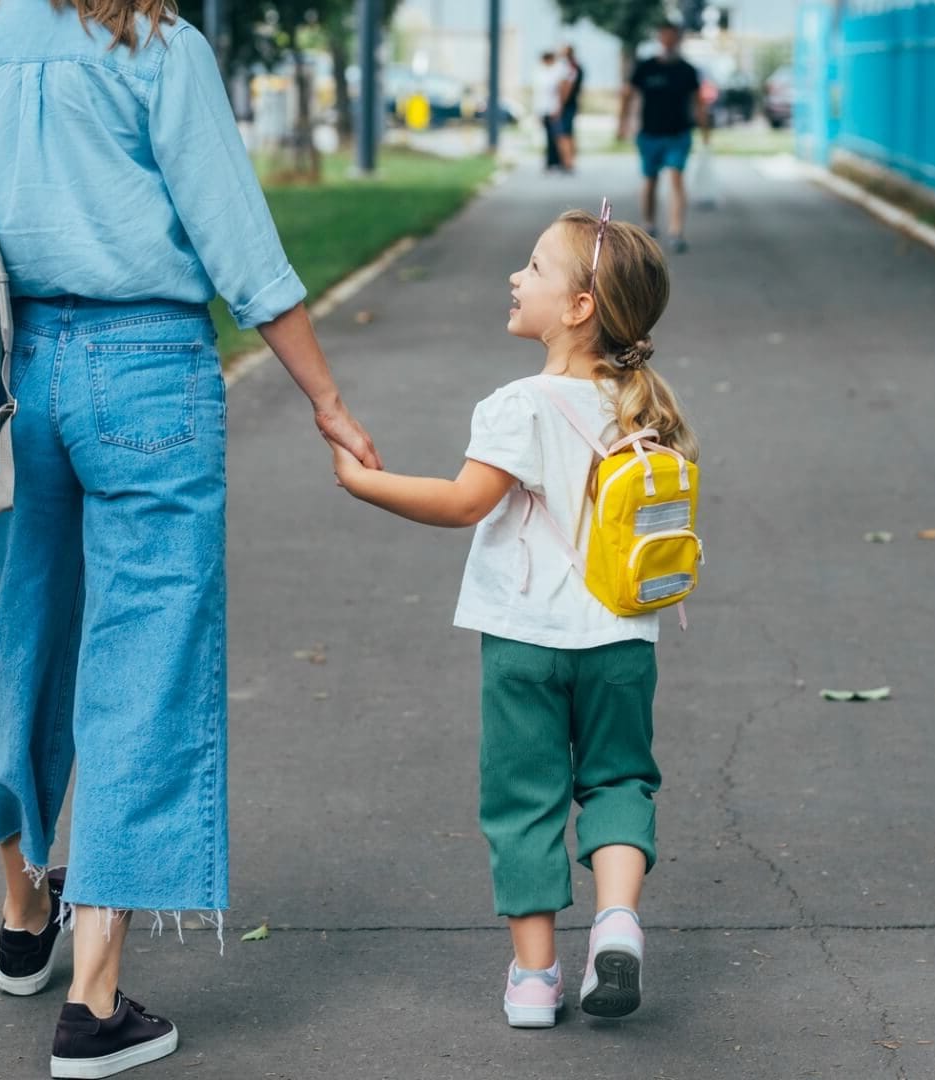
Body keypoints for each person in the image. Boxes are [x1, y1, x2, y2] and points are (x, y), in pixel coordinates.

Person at [0, 1, 381, 1076]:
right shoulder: (155, 46)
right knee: (144, 658)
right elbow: (241, 244)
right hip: (147, 370)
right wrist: (325, 399)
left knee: (26, 639)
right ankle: (92, 1001)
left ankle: (20, 914)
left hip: (10, 376)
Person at [329, 203, 695, 1028]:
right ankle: (618, 921)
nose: (514, 276)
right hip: (621, 641)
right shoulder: (644, 409)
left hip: (525, 644)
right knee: (619, 778)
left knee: (523, 798)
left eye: (533, 267)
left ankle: (534, 980)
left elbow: (464, 504)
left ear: (578, 308)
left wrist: (364, 484)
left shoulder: (518, 405)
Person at [619, 21, 709, 253]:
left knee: (677, 178)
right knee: (650, 179)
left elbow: (698, 102)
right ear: (659, 38)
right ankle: (648, 223)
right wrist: (623, 122)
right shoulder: (646, 67)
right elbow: (628, 95)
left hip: (678, 134)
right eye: (664, 36)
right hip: (650, 134)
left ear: (678, 39)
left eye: (672, 36)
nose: (668, 40)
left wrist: (705, 129)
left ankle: (676, 231)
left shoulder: (687, 70)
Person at [555, 44, 584, 174]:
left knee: (563, 133)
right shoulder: (577, 66)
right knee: (569, 132)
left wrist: (560, 105)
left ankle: (568, 162)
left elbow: (567, 87)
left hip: (566, 105)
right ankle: (570, 160)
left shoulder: (569, 67)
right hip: (572, 103)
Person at [534, 50, 564, 173]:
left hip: (553, 109)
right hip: (543, 109)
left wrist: (557, 109)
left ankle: (556, 161)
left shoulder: (556, 72)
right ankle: (550, 161)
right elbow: (538, 94)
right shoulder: (541, 73)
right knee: (548, 136)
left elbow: (557, 93)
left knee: (555, 136)